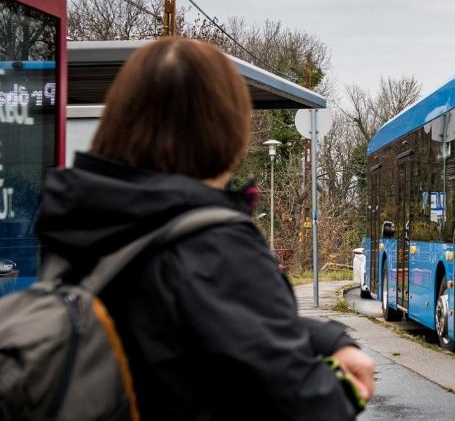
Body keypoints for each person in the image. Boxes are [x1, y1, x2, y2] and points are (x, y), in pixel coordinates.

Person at [34, 38, 373, 420]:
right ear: (228, 130)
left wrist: (326, 337)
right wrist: (346, 387)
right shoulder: (214, 246)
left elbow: (181, 328)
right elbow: (308, 406)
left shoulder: (82, 217)